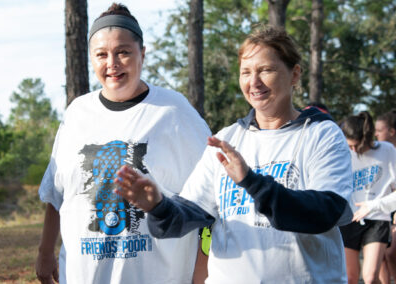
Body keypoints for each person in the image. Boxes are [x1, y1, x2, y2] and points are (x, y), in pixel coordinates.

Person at [114, 26, 353, 283]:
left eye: (266, 70)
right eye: (246, 72)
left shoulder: (321, 134)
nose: (254, 82)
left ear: (295, 74)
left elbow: (326, 212)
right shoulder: (227, 139)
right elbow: (184, 218)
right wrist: (157, 205)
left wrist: (251, 182)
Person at [35, 3, 211, 284]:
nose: (112, 64)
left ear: (142, 54)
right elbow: (57, 193)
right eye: (101, 54)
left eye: (123, 52)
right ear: (91, 58)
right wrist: (45, 251)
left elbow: (210, 201)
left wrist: (202, 273)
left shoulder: (174, 111)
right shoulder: (76, 113)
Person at [339, 111, 396, 284]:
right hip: (351, 218)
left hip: (377, 218)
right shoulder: (344, 153)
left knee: (370, 277)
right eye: (351, 146)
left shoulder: (387, 151)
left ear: (368, 138)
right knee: (350, 278)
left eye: (358, 146)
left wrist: (374, 205)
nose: (354, 150)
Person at [375, 110, 396, 284]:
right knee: (380, 254)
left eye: (379, 130)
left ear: (391, 132)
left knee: (391, 252)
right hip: (382, 210)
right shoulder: (377, 153)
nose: (375, 134)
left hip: (393, 210)